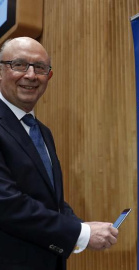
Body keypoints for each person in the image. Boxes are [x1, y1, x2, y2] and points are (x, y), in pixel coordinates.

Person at [0, 37, 118, 270]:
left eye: (40, 68)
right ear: (1, 71)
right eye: (20, 64)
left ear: (49, 77)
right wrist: (81, 233)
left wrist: (79, 225)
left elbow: (48, 199)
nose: (31, 75)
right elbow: (6, 203)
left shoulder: (42, 131)